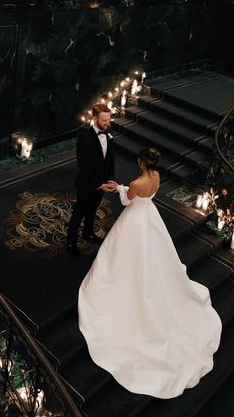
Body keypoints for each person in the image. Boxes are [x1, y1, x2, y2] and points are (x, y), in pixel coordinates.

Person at [78, 147, 222, 399]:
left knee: (124, 258)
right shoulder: (155, 177)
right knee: (153, 258)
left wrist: (120, 189)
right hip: (149, 218)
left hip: (135, 220)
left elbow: (127, 200)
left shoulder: (136, 181)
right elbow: (139, 195)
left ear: (140, 162)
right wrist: (121, 186)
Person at [66, 103, 116, 255]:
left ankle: (88, 233)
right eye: (104, 120)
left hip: (102, 183)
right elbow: (84, 167)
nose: (108, 123)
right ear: (94, 118)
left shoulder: (109, 133)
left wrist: (110, 180)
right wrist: (99, 184)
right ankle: (71, 242)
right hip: (87, 184)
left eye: (109, 119)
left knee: (93, 210)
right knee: (78, 213)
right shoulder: (85, 137)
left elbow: (110, 159)